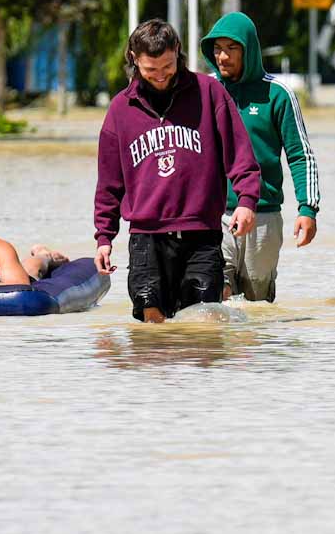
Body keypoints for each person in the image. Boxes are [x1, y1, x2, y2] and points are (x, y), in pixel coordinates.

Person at [93, 19, 263, 322]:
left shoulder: (210, 93)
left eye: (167, 67)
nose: (160, 77)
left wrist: (247, 201)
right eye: (150, 70)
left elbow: (240, 155)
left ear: (178, 52)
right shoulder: (120, 109)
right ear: (133, 59)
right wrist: (104, 237)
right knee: (151, 321)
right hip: (147, 237)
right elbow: (109, 183)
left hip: (202, 234)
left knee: (202, 322)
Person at [198, 12, 320, 302]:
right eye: (217, 49)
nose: (223, 57)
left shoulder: (277, 94)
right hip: (215, 217)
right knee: (216, 293)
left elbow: (301, 155)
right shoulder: (206, 90)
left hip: (264, 215)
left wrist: (308, 209)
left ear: (249, 50)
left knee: (257, 304)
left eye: (232, 48)